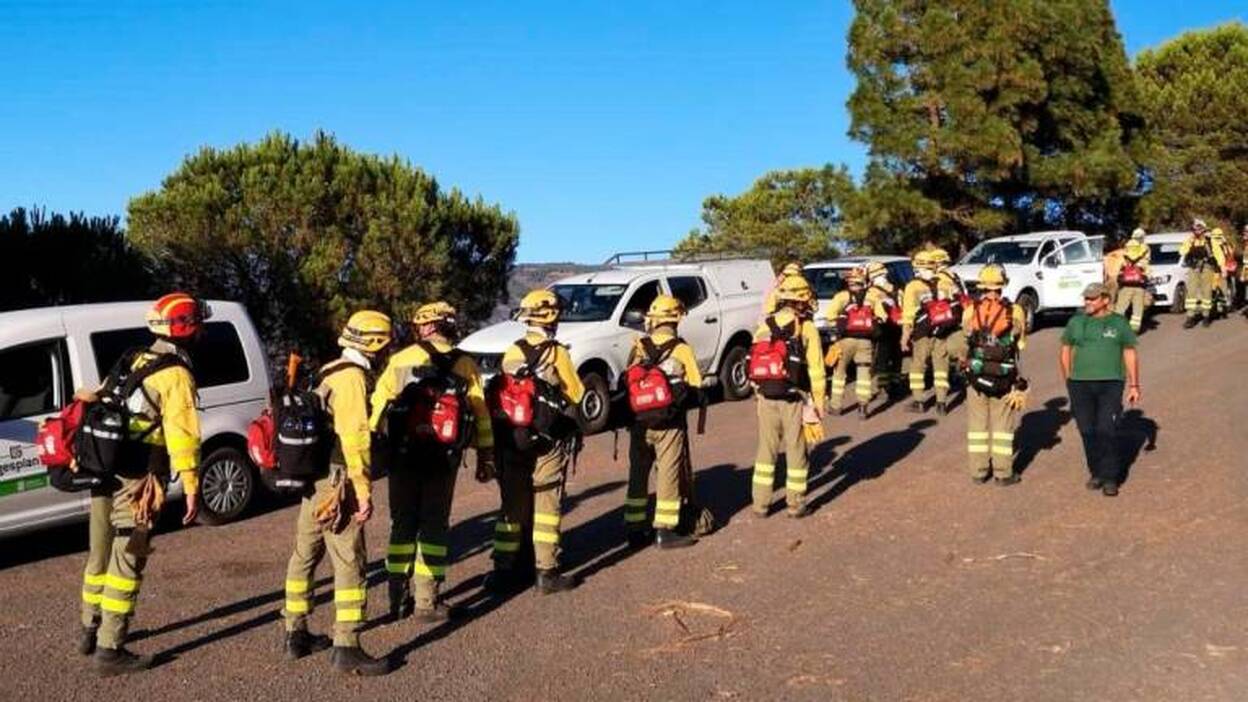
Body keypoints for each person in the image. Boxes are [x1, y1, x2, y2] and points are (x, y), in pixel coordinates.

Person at [80, 293, 206, 675]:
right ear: (186, 328)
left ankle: (90, 627)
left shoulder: (132, 357)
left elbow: (99, 395)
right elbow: (183, 435)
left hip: (103, 467)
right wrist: (191, 485)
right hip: (139, 481)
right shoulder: (177, 374)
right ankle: (110, 649)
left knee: (98, 553)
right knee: (129, 555)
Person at [282, 310, 393, 676]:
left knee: (305, 552)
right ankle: (347, 644)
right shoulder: (352, 379)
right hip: (338, 479)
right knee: (349, 558)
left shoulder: (328, 370)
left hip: (314, 478)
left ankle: (294, 633)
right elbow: (356, 440)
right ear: (376, 344)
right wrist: (363, 492)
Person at [370, 302, 494, 621]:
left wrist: (373, 456)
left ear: (424, 327)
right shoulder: (465, 364)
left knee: (402, 524)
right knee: (434, 526)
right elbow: (481, 415)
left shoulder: (400, 360)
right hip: (443, 459)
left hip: (403, 458)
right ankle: (427, 601)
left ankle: (397, 596)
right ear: (447, 326)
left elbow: (376, 411)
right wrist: (485, 456)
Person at [486, 290, 584, 595]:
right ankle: (546, 570)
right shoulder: (557, 353)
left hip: (512, 441)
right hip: (546, 440)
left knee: (512, 505)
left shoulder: (512, 352)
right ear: (553, 317)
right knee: (546, 504)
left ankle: (505, 567)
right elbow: (576, 393)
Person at [622, 295, 703, 549]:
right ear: (676, 319)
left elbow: (628, 380)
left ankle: (635, 528)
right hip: (669, 423)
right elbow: (696, 383)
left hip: (638, 422)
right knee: (668, 473)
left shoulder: (639, 346)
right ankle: (665, 531)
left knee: (638, 473)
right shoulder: (681, 348)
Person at [750, 276, 825, 518]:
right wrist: (819, 403)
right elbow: (816, 368)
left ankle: (760, 505)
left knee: (766, 451)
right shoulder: (807, 328)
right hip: (794, 398)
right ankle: (796, 504)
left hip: (765, 397)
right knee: (796, 449)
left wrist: (758, 394)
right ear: (801, 301)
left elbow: (753, 362)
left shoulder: (764, 325)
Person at [1060, 283, 1141, 497]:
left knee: (1107, 429)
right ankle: (1095, 472)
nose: (1087, 302)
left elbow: (1129, 352)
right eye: (1086, 298)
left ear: (1105, 300)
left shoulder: (1119, 323)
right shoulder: (1076, 322)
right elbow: (1066, 349)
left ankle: (1110, 477)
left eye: (1092, 299)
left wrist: (1134, 385)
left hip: (1111, 383)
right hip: (1080, 384)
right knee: (1087, 430)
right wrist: (1069, 379)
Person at [961, 267, 1027, 486]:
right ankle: (1003, 473)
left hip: (976, 375)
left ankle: (979, 472)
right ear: (1002, 285)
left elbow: (965, 336)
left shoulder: (971, 309)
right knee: (1002, 427)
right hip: (1003, 377)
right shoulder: (1015, 310)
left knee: (977, 426)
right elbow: (1020, 344)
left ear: (982, 287)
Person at [901, 250, 961, 415]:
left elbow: (908, 314)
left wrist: (905, 336)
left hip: (922, 332)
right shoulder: (945, 282)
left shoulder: (913, 286)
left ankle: (919, 401)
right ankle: (942, 402)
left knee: (918, 365)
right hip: (942, 329)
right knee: (941, 365)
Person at [825, 267, 887, 418]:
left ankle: (836, 406)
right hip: (866, 341)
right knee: (864, 372)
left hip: (845, 340)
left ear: (849, 282)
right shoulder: (873, 297)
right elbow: (883, 317)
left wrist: (840, 325)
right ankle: (863, 407)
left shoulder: (842, 296)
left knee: (839, 373)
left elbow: (829, 316)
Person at [865, 262, 904, 399]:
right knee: (896, 357)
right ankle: (896, 384)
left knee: (881, 359)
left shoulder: (872, 292)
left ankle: (882, 387)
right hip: (898, 327)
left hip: (883, 329)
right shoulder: (897, 289)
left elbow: (869, 309)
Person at [1179, 219, 1225, 328]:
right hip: (1193, 267)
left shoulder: (1210, 240)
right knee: (1191, 292)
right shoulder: (1190, 240)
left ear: (1203, 229)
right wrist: (1190, 242)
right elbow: (1182, 251)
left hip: (1207, 268)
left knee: (1207, 292)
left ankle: (1206, 316)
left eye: (1199, 229)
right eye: (1195, 229)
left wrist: (1223, 268)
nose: (1197, 231)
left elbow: (1218, 254)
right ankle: (1190, 317)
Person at [1113, 228, 1151, 334]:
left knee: (1121, 307)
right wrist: (1148, 276)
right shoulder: (1145, 248)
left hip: (1126, 283)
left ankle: (1116, 329)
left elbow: (1120, 264)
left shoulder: (1126, 248)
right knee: (1137, 308)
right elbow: (1147, 265)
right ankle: (1134, 330)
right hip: (1139, 283)